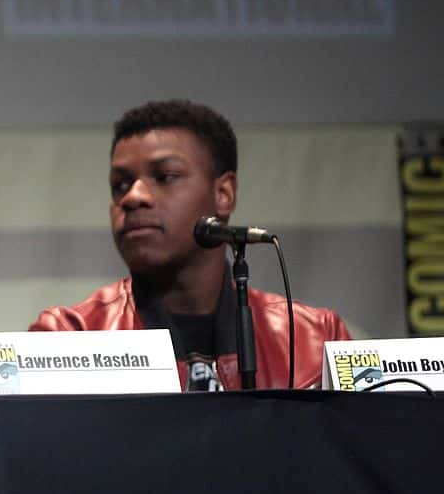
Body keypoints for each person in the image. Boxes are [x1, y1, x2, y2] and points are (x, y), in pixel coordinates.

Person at [29, 99, 350, 390]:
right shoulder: (71, 337)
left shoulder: (316, 338)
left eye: (165, 176)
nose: (132, 197)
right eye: (120, 185)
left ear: (223, 194)